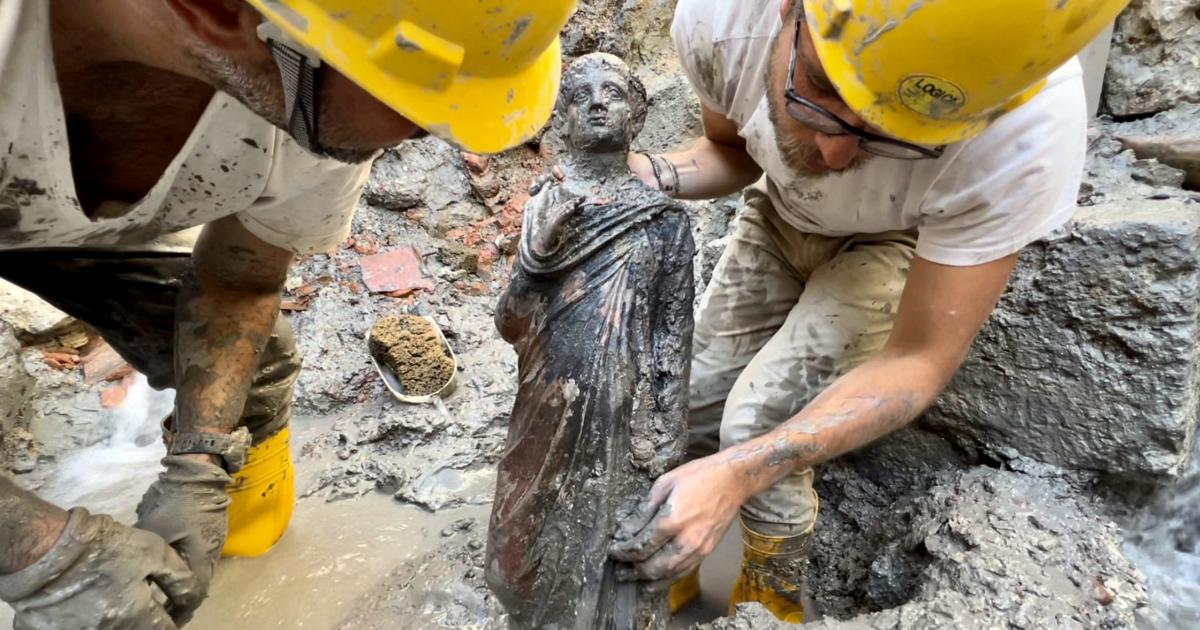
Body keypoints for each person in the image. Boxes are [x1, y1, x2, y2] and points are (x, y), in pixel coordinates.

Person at [0, 0, 575, 627]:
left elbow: (241, 279)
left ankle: (238, 559)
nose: (442, 131)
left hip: (82, 222)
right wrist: (40, 550)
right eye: (420, 100)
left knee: (251, 370)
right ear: (215, 11)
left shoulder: (308, 89)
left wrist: (201, 460)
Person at [608, 0, 1129, 622]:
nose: (833, 157)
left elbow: (920, 357)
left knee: (759, 423)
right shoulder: (722, 20)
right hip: (778, 215)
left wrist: (742, 471)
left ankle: (770, 595)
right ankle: (672, 580)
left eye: (895, 138)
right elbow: (732, 151)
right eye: (821, 92)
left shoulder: (1027, 128)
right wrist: (638, 178)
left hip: (899, 239)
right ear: (788, 10)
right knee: (689, 402)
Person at [485, 53, 694, 630]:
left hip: (624, 417)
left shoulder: (664, 220)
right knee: (523, 545)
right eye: (581, 96)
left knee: (614, 548)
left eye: (614, 92)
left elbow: (673, 343)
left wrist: (665, 433)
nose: (598, 102)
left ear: (639, 115)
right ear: (562, 119)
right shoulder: (543, 207)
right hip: (544, 408)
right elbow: (508, 325)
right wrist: (536, 265)